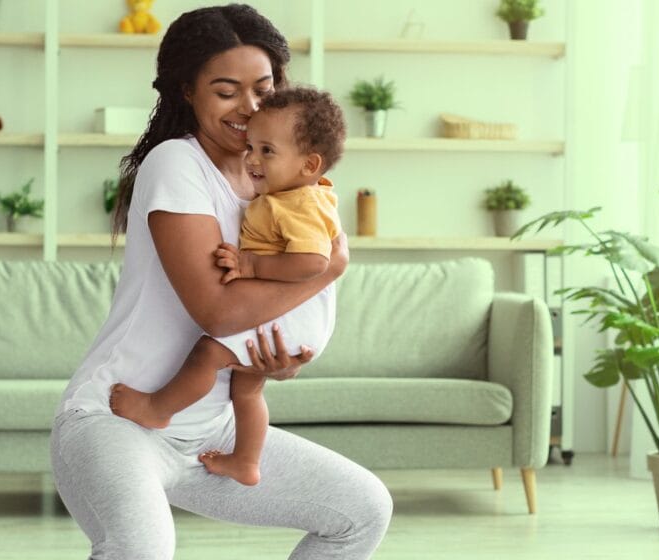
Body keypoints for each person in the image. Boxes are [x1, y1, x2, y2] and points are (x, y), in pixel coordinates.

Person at [50, 5, 392, 559]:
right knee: (143, 549)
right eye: (226, 90)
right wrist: (328, 268)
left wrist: (283, 359)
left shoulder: (274, 180)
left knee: (362, 510)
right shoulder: (176, 164)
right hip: (116, 420)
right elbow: (219, 312)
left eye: (264, 87)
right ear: (188, 91)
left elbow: (269, 310)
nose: (250, 107)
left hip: (211, 431)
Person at [108, 86, 346, 488]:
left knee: (208, 353)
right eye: (252, 146)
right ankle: (246, 461)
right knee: (248, 391)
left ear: (310, 165)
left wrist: (251, 263)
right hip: (296, 315)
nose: (251, 159)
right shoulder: (293, 195)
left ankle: (156, 408)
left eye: (266, 151)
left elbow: (315, 263)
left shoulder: (300, 203)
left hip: (292, 312)